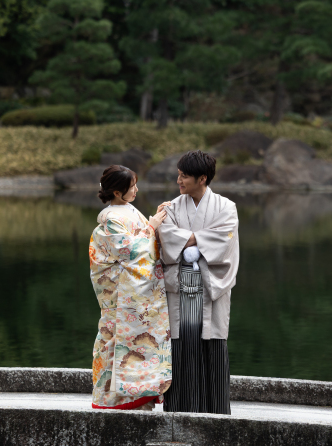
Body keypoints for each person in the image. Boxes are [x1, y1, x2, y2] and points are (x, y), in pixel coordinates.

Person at [157, 150, 239, 414]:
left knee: (211, 346)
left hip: (209, 286)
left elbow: (224, 240)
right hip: (179, 285)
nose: (178, 181)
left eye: (184, 176)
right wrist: (201, 237)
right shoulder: (170, 207)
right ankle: (179, 409)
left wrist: (187, 239)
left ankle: (214, 411)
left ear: (202, 178)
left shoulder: (226, 207)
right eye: (179, 175)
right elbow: (164, 237)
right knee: (181, 346)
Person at [89, 165, 172, 410]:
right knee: (116, 338)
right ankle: (113, 399)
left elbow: (140, 241)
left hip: (130, 289)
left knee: (128, 340)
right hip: (121, 293)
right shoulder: (110, 219)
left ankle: (138, 392)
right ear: (116, 192)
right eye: (131, 187)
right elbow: (129, 250)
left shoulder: (125, 211)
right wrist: (152, 225)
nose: (136, 190)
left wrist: (152, 223)